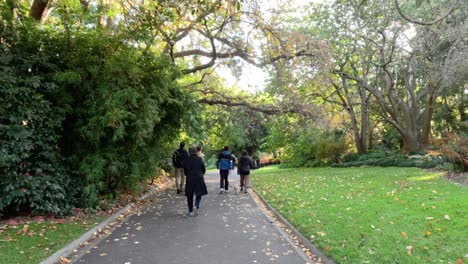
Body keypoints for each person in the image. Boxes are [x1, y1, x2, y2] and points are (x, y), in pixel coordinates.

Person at [183, 146, 208, 216]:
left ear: (189, 152)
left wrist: (188, 174)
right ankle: (196, 205)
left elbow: (185, 172)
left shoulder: (186, 160)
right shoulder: (199, 159)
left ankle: (190, 211)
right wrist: (201, 174)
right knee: (199, 193)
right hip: (198, 177)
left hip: (190, 178)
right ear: (196, 151)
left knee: (189, 195)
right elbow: (203, 169)